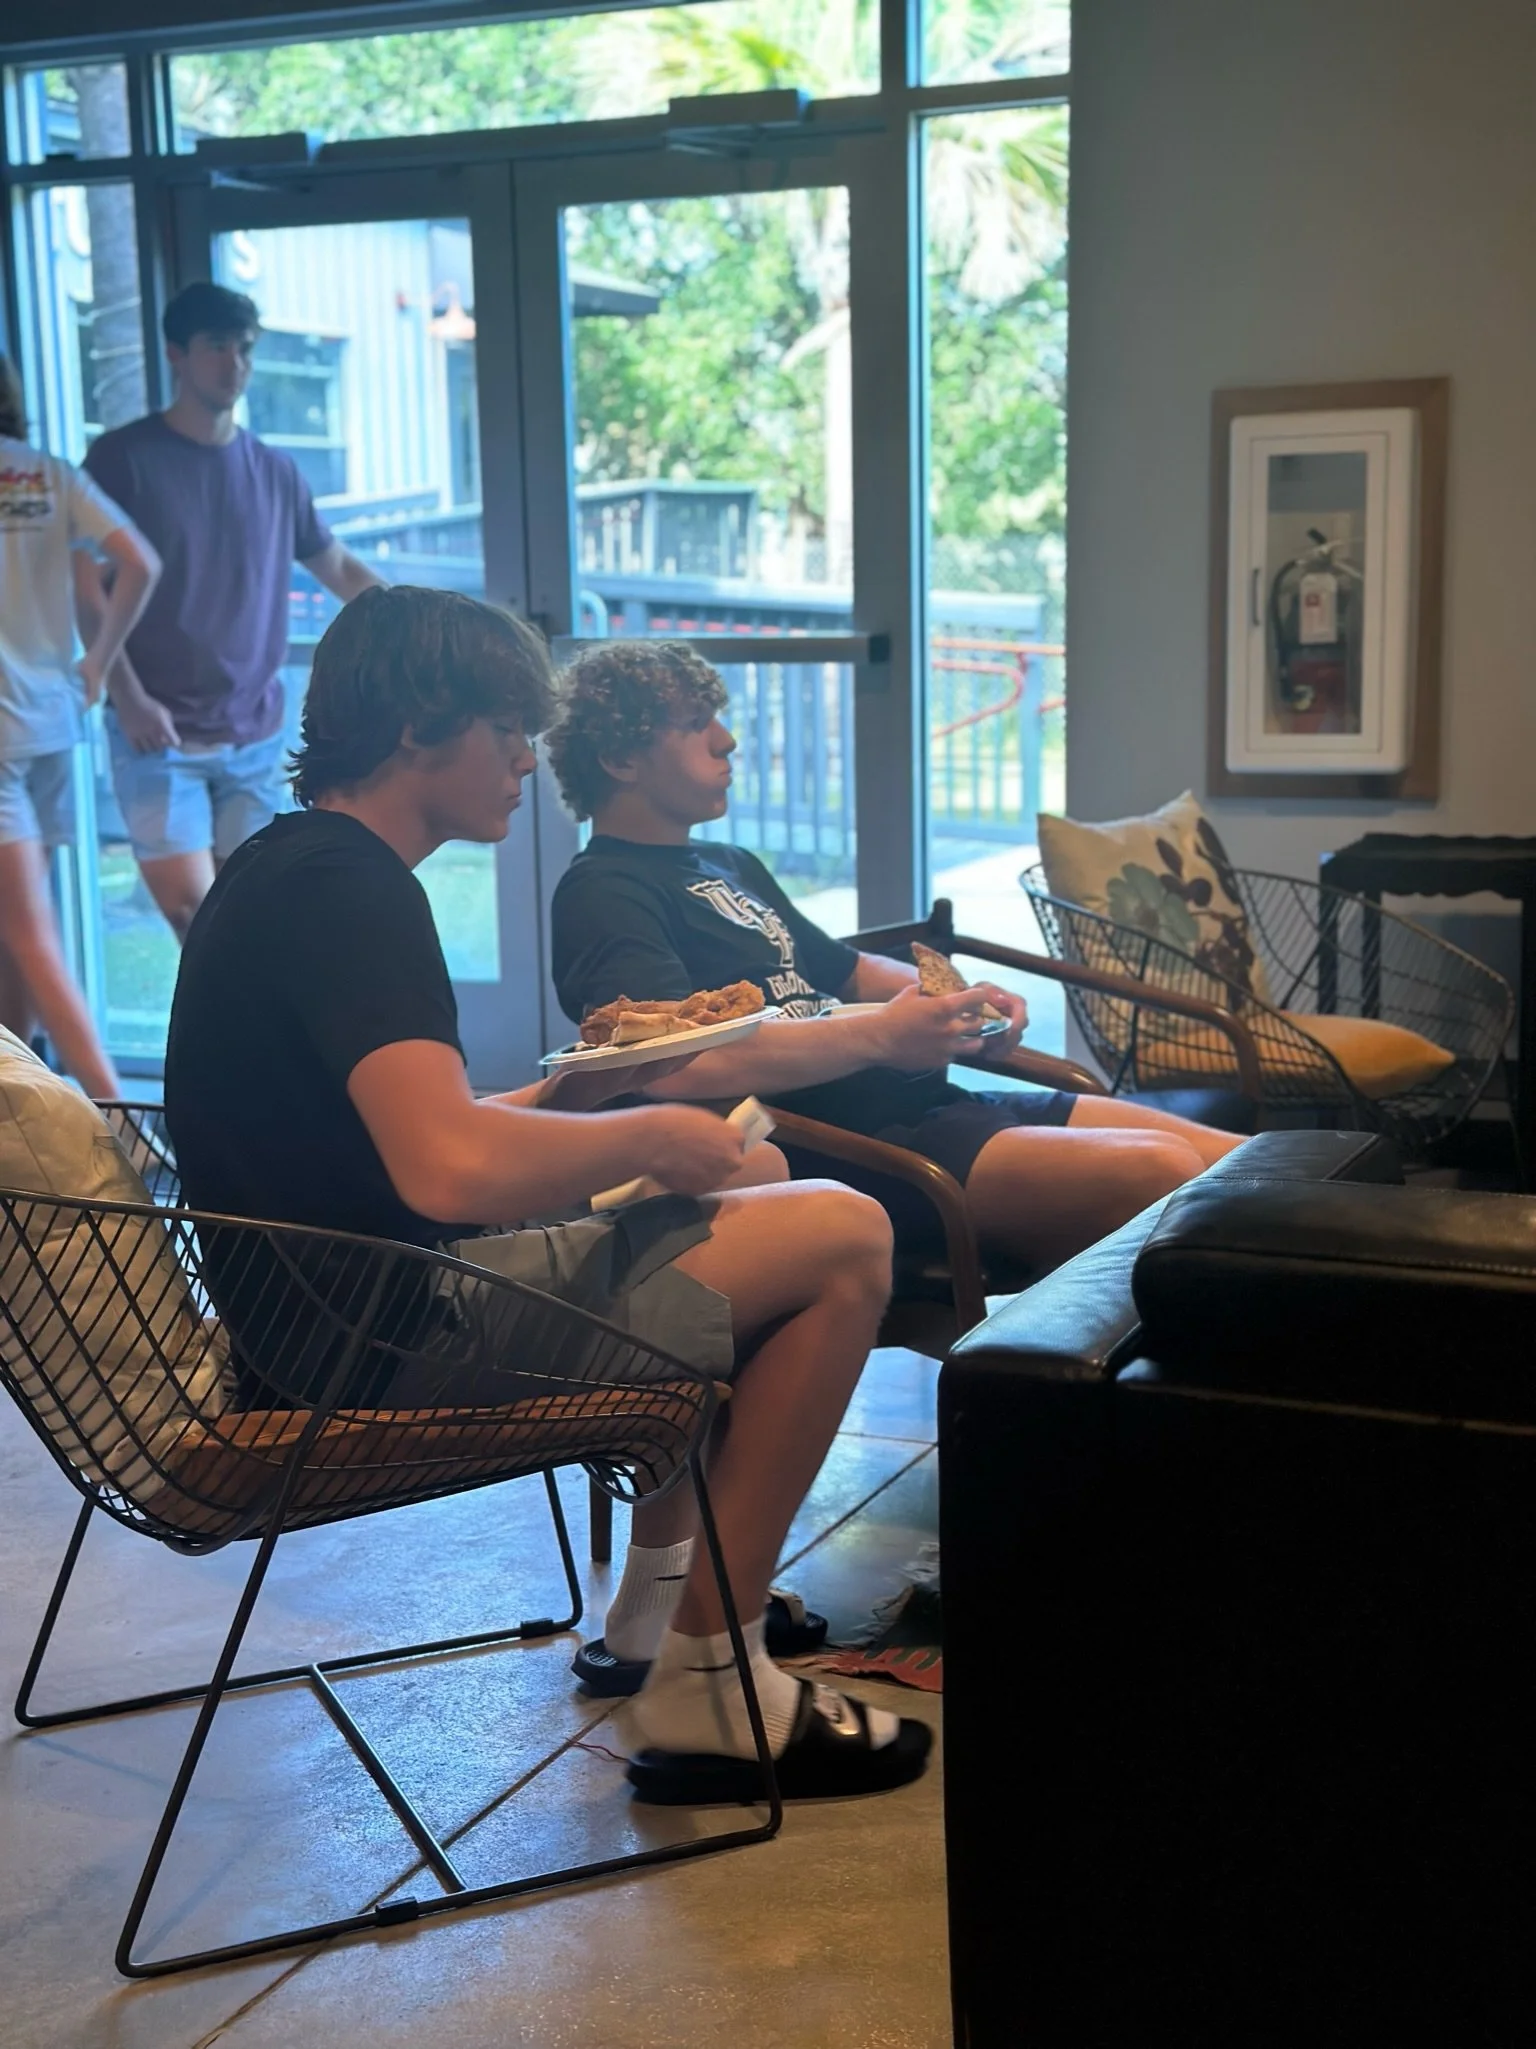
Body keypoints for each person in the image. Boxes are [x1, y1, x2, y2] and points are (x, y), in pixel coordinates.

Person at [164, 584, 930, 1806]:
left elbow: (411, 1133)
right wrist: (652, 1131)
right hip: (380, 1333)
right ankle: (711, 1680)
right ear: (419, 728)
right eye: (507, 728)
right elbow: (446, 1172)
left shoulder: (291, 865)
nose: (528, 760)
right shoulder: (352, 891)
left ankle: (659, 1612)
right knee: (845, 1234)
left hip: (326, 1312)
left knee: (757, 1189)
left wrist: (575, 1099)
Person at [547, 641, 1245, 1275]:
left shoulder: (729, 862)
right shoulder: (603, 892)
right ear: (621, 760)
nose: (726, 739)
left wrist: (957, 1000)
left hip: (925, 1107)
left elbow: (848, 972)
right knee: (1163, 1172)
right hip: (842, 1145)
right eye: (696, 722)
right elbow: (677, 1067)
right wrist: (883, 1036)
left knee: (1236, 1164)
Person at [79, 281, 383, 944]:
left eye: (244, 349)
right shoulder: (121, 458)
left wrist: (414, 619)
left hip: (253, 731)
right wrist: (127, 697)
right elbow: (86, 586)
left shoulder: (274, 470)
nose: (235, 364)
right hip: (157, 733)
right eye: (217, 346)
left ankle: (256, 1016)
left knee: (252, 915)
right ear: (176, 354)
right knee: (195, 917)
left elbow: (336, 566)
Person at [0, 352, 161, 1099]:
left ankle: (115, 1118)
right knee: (18, 936)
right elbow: (139, 562)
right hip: (51, 721)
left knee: (28, 935)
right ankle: (19, 1101)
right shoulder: (49, 474)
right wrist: (95, 663)